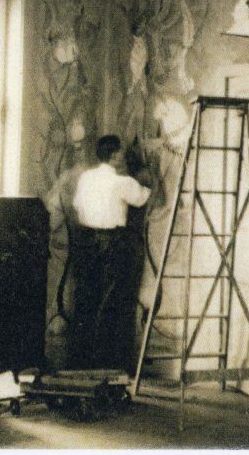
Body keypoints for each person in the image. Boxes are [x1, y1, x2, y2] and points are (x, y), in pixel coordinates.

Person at [69, 134, 151, 369]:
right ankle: (106, 361)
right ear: (114, 155)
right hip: (112, 242)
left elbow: (77, 205)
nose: (124, 155)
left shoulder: (86, 178)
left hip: (85, 241)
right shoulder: (122, 182)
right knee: (111, 299)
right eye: (122, 151)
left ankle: (82, 360)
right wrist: (148, 175)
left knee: (86, 297)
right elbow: (144, 198)